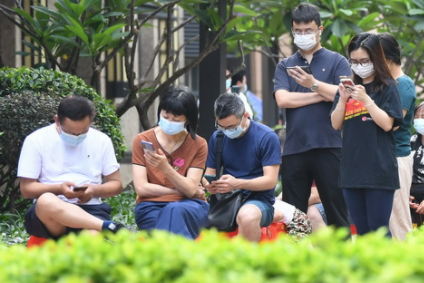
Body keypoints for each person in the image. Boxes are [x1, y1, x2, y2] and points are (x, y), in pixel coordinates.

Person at [274, 3, 352, 230]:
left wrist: (313, 84)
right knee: (294, 217)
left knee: (338, 213)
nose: (302, 35)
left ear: (320, 29)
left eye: (308, 30)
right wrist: (323, 93)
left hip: (329, 145)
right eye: (297, 31)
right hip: (294, 148)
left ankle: (345, 262)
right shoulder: (285, 65)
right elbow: (283, 100)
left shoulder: (337, 61)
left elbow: (345, 95)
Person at [17, 96, 126, 240]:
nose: (77, 136)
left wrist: (94, 190)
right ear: (57, 120)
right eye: (71, 132)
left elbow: (116, 184)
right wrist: (59, 189)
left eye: (83, 132)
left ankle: (101, 226)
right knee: (46, 200)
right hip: (51, 214)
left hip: (91, 210)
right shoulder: (36, 140)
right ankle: (108, 226)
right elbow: (26, 189)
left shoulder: (102, 140)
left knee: (92, 239)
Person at [331, 33, 403, 236]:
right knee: (361, 231)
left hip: (379, 169)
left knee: (379, 231)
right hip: (352, 170)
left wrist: (366, 100)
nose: (359, 65)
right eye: (354, 61)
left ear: (375, 60)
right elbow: (335, 124)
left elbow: (388, 124)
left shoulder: (388, 87)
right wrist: (343, 100)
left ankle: (387, 268)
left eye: (364, 61)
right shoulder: (347, 87)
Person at [132, 87, 209, 239]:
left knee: (174, 211)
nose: (169, 121)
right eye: (166, 115)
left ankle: (169, 260)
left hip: (191, 206)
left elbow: (190, 190)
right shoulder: (142, 140)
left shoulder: (199, 144)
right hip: (151, 205)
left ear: (188, 119)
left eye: (176, 118)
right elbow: (141, 188)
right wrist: (178, 191)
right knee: (169, 217)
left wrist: (165, 168)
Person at [204, 93, 282, 242]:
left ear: (245, 116)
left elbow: (270, 181)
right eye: (221, 126)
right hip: (226, 199)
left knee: (246, 216)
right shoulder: (218, 137)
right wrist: (210, 185)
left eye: (232, 127)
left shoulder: (267, 137)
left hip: (258, 200)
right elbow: (208, 174)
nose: (227, 131)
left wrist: (237, 183)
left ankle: (247, 263)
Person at [379, 33, 417, 240]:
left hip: (397, 158)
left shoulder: (404, 84)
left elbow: (391, 124)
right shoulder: (386, 83)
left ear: (389, 59)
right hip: (382, 156)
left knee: (399, 219)